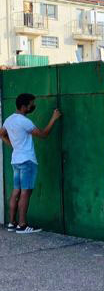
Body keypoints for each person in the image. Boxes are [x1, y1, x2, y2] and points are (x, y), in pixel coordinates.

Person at [0, 94, 60, 234]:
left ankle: (11, 223)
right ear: (24, 106)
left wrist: (13, 146)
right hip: (27, 161)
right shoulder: (24, 121)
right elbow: (44, 134)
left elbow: (2, 134)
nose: (33, 106)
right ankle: (22, 225)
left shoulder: (9, 120)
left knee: (16, 191)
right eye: (31, 104)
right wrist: (54, 118)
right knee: (25, 193)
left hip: (16, 160)